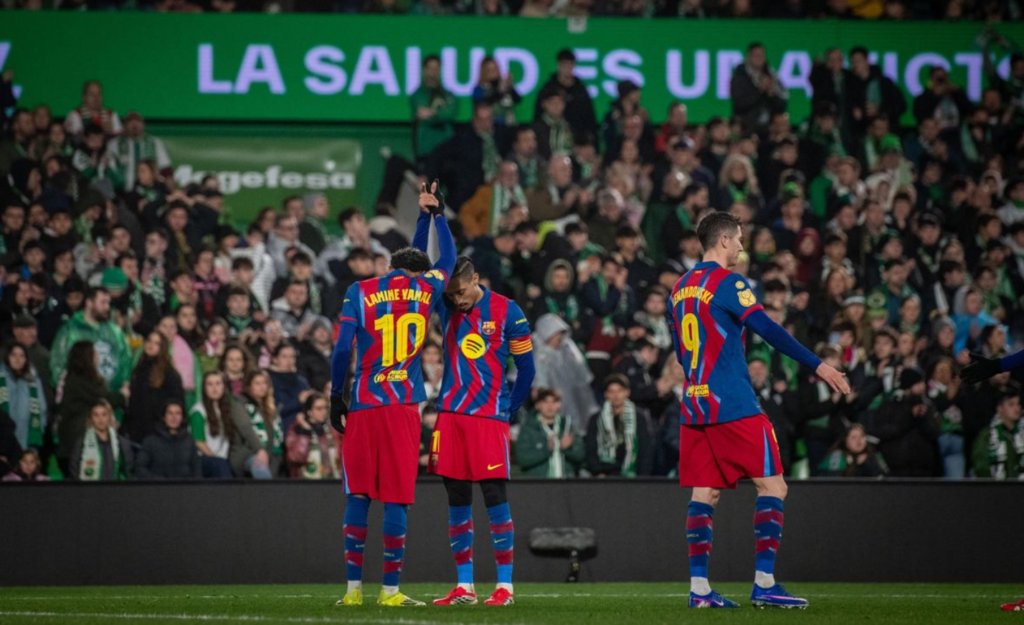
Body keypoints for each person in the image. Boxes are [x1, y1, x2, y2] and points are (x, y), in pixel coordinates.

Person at [667, 211, 848, 609]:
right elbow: (768, 328)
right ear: (724, 240)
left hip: (695, 404)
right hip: (732, 402)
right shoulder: (730, 282)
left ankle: (699, 591)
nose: (741, 247)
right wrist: (821, 366)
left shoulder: (679, 288)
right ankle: (764, 583)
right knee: (774, 486)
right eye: (739, 240)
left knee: (705, 494)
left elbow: (682, 353)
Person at [329, 181, 455, 608]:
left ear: (388, 266)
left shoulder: (359, 291)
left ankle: (351, 592)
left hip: (364, 403)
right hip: (402, 405)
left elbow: (342, 348)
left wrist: (335, 397)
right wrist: (435, 216)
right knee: (397, 497)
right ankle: (390, 591)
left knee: (358, 494)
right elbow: (448, 260)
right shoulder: (426, 289)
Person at [419, 254, 535, 607]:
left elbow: (527, 370)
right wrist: (434, 216)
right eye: (450, 295)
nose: (456, 300)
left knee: (495, 498)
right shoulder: (445, 305)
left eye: (460, 293)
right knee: (457, 500)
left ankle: (505, 587)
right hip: (450, 417)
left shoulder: (508, 311)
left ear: (476, 279)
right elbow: (425, 267)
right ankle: (465, 586)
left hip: (488, 420)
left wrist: (507, 410)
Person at [56, 341, 128, 475]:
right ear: (87, 357)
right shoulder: (80, 380)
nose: (98, 356)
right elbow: (104, 398)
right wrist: (123, 396)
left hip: (73, 443)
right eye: (94, 353)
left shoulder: (74, 378)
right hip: (76, 445)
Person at [49, 286, 131, 393]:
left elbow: (126, 362)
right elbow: (57, 364)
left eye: (108, 303)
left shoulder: (115, 332)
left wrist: (121, 390)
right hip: (79, 401)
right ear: (89, 302)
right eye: (103, 302)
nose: (107, 307)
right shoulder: (70, 331)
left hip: (111, 401)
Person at [585, 374, 653, 478]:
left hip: (633, 475)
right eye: (611, 392)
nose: (616, 395)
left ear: (627, 393)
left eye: (620, 391)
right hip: (604, 474)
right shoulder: (596, 419)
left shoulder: (639, 417)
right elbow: (591, 449)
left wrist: (642, 477)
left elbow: (645, 448)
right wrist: (597, 472)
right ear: (606, 394)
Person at [126, 332, 185, 443]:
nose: (151, 345)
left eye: (156, 343)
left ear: (162, 348)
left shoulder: (170, 374)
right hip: (137, 432)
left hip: (159, 435)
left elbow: (177, 404)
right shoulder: (139, 369)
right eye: (149, 341)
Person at [514, 388, 584, 478]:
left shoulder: (567, 426)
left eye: (554, 402)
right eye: (545, 402)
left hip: (566, 486)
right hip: (538, 486)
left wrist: (567, 449)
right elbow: (522, 459)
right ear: (537, 405)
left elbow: (581, 457)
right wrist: (546, 450)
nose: (550, 406)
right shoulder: (529, 429)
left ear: (559, 405)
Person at [190, 371, 239, 479]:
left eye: (218, 384)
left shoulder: (228, 409)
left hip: (223, 459)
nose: (214, 388)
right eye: (210, 384)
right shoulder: (198, 411)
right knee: (220, 466)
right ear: (204, 388)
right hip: (204, 459)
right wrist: (215, 459)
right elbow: (199, 442)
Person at [135, 401, 201, 480]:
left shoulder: (189, 441)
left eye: (178, 413)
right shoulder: (150, 441)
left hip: (184, 489)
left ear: (182, 417)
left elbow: (197, 471)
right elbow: (140, 468)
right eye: (170, 413)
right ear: (163, 417)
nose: (174, 417)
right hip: (157, 489)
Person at [69, 400, 133, 481]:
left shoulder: (121, 443)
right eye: (96, 415)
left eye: (104, 414)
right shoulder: (82, 443)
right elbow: (74, 470)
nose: (100, 419)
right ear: (91, 418)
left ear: (109, 417)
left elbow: (128, 471)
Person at [0, 344, 48, 452]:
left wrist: (40, 429)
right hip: (4, 438)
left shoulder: (33, 380)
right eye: (14, 355)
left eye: (22, 356)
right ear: (7, 356)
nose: (18, 359)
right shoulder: (1, 379)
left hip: (28, 437)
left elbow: (42, 408)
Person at [285, 392, 342, 479]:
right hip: (306, 484)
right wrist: (305, 432)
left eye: (325, 408)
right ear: (309, 411)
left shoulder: (332, 430)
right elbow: (296, 458)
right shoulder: (297, 430)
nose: (323, 412)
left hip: (333, 482)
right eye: (319, 409)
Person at [971, 388, 1023, 480]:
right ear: (1000, 408)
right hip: (994, 489)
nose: (1017, 408)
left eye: (1019, 404)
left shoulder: (1021, 433)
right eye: (1011, 404)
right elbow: (980, 464)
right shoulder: (987, 434)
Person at [818, 423, 889, 478]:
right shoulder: (837, 455)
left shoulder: (873, 454)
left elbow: (882, 480)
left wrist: (867, 464)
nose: (859, 441)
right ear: (845, 441)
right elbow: (834, 483)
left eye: (862, 436)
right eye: (853, 437)